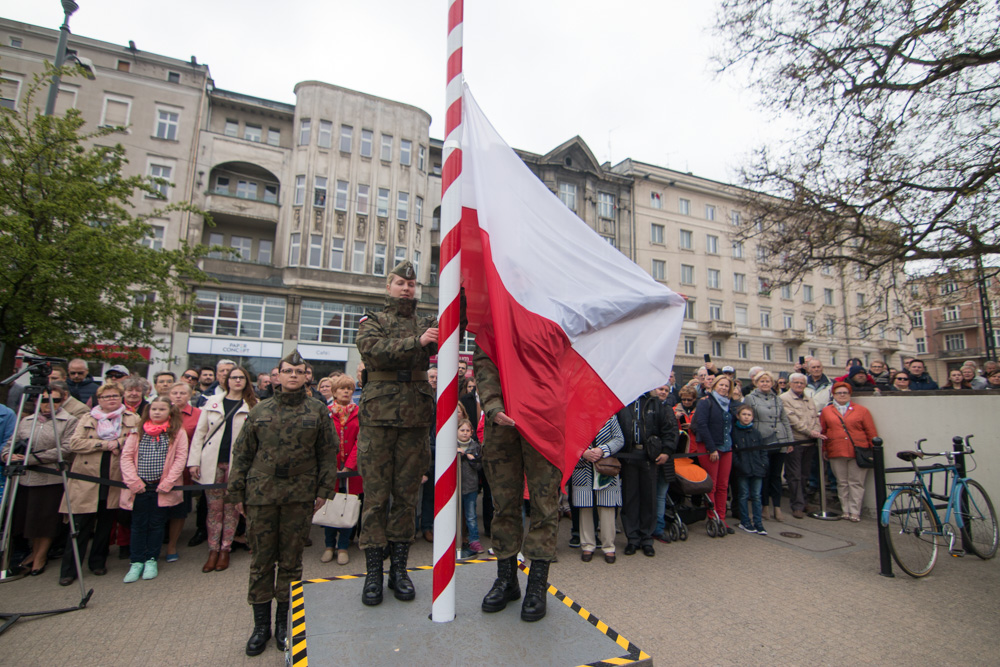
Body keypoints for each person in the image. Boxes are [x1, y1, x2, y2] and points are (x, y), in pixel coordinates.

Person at [227, 351, 338, 656]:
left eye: (298, 371)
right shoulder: (259, 410)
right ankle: (260, 626)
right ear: (277, 375)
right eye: (287, 370)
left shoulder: (317, 411)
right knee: (262, 561)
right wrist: (236, 494)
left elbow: (328, 453)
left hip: (299, 495)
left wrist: (322, 490)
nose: (292, 375)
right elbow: (243, 455)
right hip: (261, 494)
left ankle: (281, 624)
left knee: (290, 562)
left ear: (306, 376)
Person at [355, 260, 437, 607]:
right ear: (388, 287)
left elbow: (445, 338)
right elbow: (373, 351)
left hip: (415, 420)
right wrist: (416, 342)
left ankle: (399, 571)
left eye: (411, 283)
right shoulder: (372, 321)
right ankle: (373, 573)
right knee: (375, 499)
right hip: (378, 418)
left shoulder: (429, 320)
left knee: (406, 499)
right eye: (400, 283)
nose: (406, 288)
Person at [474, 344, 561, 622]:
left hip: (544, 417)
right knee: (504, 505)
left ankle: (536, 585)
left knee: (544, 504)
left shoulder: (550, 313)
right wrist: (492, 405)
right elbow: (484, 361)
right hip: (501, 422)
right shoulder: (497, 312)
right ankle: (507, 580)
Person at [59, 382, 141, 586]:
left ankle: (97, 562)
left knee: (105, 525)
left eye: (115, 395)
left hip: (114, 477)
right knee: (80, 526)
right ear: (99, 399)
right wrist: (107, 444)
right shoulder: (87, 417)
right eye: (106, 397)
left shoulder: (132, 418)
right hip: (87, 478)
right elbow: (75, 443)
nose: (111, 399)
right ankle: (69, 569)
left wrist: (120, 443)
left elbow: (136, 441)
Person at [1, 387, 79, 575]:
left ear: (63, 400)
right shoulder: (27, 420)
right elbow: (11, 443)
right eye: (43, 400)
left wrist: (30, 458)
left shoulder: (69, 421)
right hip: (25, 478)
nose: (48, 405)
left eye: (54, 400)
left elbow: (66, 449)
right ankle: (33, 553)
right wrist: (6, 455)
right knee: (29, 520)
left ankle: (40, 557)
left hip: (50, 478)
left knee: (45, 521)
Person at [189, 365, 257, 574]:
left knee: (232, 509)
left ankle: (226, 548)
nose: (237, 381)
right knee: (213, 509)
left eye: (241, 378)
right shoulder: (212, 402)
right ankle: (213, 549)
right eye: (233, 377)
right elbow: (200, 434)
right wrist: (194, 461)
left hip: (237, 464)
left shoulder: (253, 405)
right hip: (212, 461)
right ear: (226, 380)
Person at [118, 396, 189, 582]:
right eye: (154, 409)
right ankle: (136, 561)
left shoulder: (177, 432)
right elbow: (126, 457)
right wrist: (133, 481)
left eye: (162, 409)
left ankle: (151, 559)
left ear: (170, 412)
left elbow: (180, 458)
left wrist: (168, 482)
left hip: (161, 487)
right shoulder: (137, 431)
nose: (157, 412)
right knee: (138, 524)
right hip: (139, 487)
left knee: (156, 524)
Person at [618, 390, 678, 556]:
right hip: (628, 456)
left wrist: (666, 450)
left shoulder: (655, 403)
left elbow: (669, 430)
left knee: (649, 498)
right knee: (630, 498)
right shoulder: (623, 401)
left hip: (649, 457)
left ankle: (646, 538)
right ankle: (632, 538)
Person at [820, 383, 878, 522]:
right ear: (833, 395)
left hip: (857, 450)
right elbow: (824, 430)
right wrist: (824, 449)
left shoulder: (861, 411)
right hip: (836, 450)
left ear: (850, 394)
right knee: (842, 482)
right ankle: (845, 510)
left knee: (856, 482)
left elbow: (870, 430)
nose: (842, 395)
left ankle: (855, 511)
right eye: (839, 392)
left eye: (845, 392)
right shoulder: (827, 411)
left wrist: (873, 449)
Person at [571, 416, 624, 563]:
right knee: (585, 507)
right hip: (583, 467)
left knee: (607, 507)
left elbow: (619, 439)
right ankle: (587, 545)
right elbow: (570, 438)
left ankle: (609, 546)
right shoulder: (576, 415)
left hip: (605, 467)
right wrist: (584, 452)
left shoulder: (610, 416)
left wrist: (602, 450)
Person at [322, 374, 362, 566]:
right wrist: (331, 465)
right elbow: (322, 441)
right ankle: (329, 545)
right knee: (329, 506)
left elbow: (359, 441)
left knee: (348, 506)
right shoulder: (326, 412)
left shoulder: (358, 412)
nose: (346, 391)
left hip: (351, 471)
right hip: (331, 468)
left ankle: (343, 546)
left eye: (349, 388)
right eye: (342, 388)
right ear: (334, 392)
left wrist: (348, 466)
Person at [692, 375, 738, 533]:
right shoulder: (706, 402)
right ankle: (713, 517)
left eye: (727, 386)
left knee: (723, 485)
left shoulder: (729, 405)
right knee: (712, 484)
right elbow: (702, 425)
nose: (724, 388)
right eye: (721, 385)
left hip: (726, 447)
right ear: (715, 385)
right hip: (710, 447)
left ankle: (722, 518)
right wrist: (711, 449)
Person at [745, 371, 793, 521]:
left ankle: (777, 507)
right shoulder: (750, 398)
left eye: (768, 381)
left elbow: (784, 419)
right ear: (756, 383)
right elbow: (747, 419)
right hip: (763, 440)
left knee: (776, 476)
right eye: (762, 381)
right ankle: (765, 506)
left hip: (779, 439)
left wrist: (789, 440)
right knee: (764, 476)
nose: (765, 384)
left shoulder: (777, 399)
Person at [780, 373, 825, 519]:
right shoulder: (784, 399)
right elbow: (792, 420)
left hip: (810, 441)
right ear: (790, 384)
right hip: (796, 441)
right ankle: (797, 505)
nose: (799, 385)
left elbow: (815, 417)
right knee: (794, 475)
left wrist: (816, 431)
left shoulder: (809, 399)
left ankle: (804, 501)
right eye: (796, 382)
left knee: (805, 474)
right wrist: (810, 432)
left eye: (802, 383)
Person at [165, 382, 200, 561]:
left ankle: (172, 545)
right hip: (162, 467)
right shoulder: (162, 412)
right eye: (174, 393)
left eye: (182, 393)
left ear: (189, 395)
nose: (178, 396)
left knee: (179, 509)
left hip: (184, 468)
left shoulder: (197, 414)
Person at [731, 404, 769, 535]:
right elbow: (734, 452)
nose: (746, 417)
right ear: (738, 416)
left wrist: (764, 464)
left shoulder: (756, 432)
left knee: (757, 496)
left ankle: (758, 522)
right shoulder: (734, 432)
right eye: (744, 414)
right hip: (743, 468)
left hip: (757, 468)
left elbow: (762, 450)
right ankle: (745, 521)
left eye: (749, 415)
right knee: (743, 495)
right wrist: (739, 465)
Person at [457, 419, 484, 554]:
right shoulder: (452, 446)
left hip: (471, 486)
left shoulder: (475, 446)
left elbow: (479, 466)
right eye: (462, 430)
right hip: (455, 487)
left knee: (471, 515)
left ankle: (474, 540)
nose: (465, 433)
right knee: (455, 516)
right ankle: (456, 539)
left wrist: (470, 458)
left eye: (467, 431)